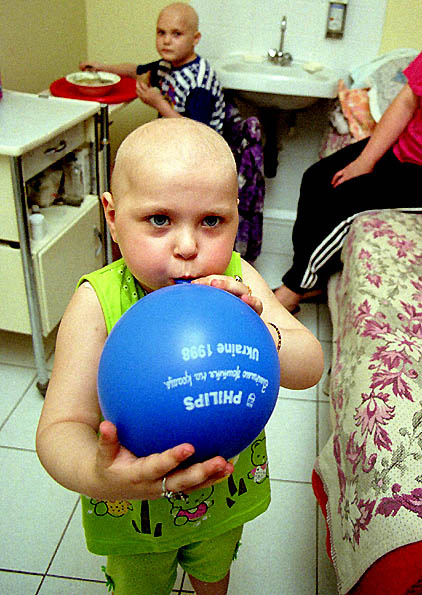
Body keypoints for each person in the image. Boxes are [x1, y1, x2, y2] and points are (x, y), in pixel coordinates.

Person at [36, 118, 324, 595]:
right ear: (113, 217)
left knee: (214, 573)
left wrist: (261, 328)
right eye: (159, 220)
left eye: (212, 221)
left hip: (222, 498)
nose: (188, 247)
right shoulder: (96, 302)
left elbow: (309, 366)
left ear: (236, 217)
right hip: (135, 512)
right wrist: (99, 474)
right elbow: (59, 428)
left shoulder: (238, 279)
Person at [273, 51, 422, 313]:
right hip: (400, 150)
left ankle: (293, 289)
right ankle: (311, 280)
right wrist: (365, 161)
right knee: (316, 177)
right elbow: (406, 103)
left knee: (345, 201)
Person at [79, 3, 225, 134]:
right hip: (175, 136)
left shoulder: (199, 83)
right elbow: (135, 71)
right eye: (161, 32)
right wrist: (102, 68)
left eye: (176, 34)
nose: (166, 41)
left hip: (201, 147)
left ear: (195, 39)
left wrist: (159, 104)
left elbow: (197, 133)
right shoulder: (167, 65)